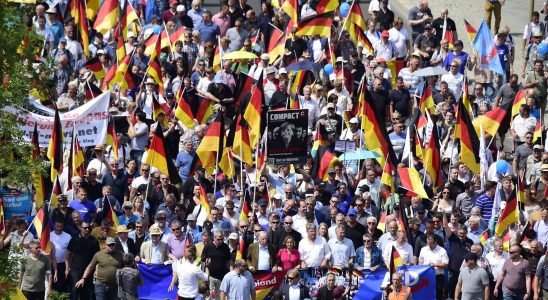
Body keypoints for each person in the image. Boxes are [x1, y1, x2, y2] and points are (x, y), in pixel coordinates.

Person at [66, 221, 101, 300]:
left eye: (88, 228)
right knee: (74, 292)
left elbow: (97, 257)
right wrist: (67, 268)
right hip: (75, 270)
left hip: (88, 270)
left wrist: (96, 270)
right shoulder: (74, 239)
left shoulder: (94, 241)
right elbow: (68, 254)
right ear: (80, 228)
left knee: (87, 294)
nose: (87, 229)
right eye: (85, 228)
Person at [203, 230, 232, 300]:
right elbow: (203, 260)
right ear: (214, 238)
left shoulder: (225, 247)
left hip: (222, 277)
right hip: (211, 276)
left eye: (222, 239)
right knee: (209, 297)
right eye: (218, 239)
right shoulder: (208, 247)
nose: (220, 241)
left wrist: (231, 273)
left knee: (219, 297)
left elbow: (229, 261)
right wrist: (206, 274)